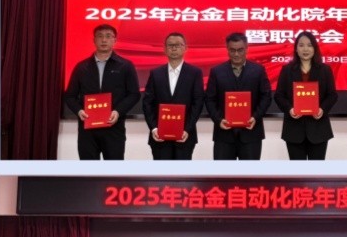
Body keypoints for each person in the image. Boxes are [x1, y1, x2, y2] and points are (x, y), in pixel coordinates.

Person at [62, 23, 141, 160]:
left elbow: (134, 94)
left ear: (115, 40)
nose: (104, 40)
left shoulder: (125, 66)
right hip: (87, 129)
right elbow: (70, 96)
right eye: (100, 36)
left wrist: (118, 111)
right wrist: (79, 111)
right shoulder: (82, 67)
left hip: (114, 127)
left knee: (114, 168)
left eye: (108, 36)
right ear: (94, 40)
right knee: (88, 169)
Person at [204, 33, 273, 159]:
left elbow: (266, 96)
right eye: (232, 50)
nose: (236, 54)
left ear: (246, 49)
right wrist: (219, 120)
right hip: (224, 134)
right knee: (222, 172)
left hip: (251, 134)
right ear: (227, 49)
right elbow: (209, 99)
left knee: (250, 172)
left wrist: (255, 117)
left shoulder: (258, 70)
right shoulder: (217, 71)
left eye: (240, 50)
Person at [273, 31, 338, 159]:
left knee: (317, 170)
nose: (305, 49)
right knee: (297, 170)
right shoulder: (287, 70)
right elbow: (279, 95)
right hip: (293, 130)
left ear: (315, 48)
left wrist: (322, 109)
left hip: (319, 129)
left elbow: (332, 95)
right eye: (301, 45)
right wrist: (290, 109)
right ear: (296, 49)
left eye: (309, 45)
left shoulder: (325, 70)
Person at [141, 32, 204, 160]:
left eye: (178, 45)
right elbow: (147, 103)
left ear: (185, 48)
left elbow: (198, 103)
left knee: (182, 172)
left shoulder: (195, 73)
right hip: (159, 137)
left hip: (185, 136)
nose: (174, 48)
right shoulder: (156, 73)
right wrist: (154, 128)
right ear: (164, 49)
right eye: (170, 45)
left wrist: (187, 129)